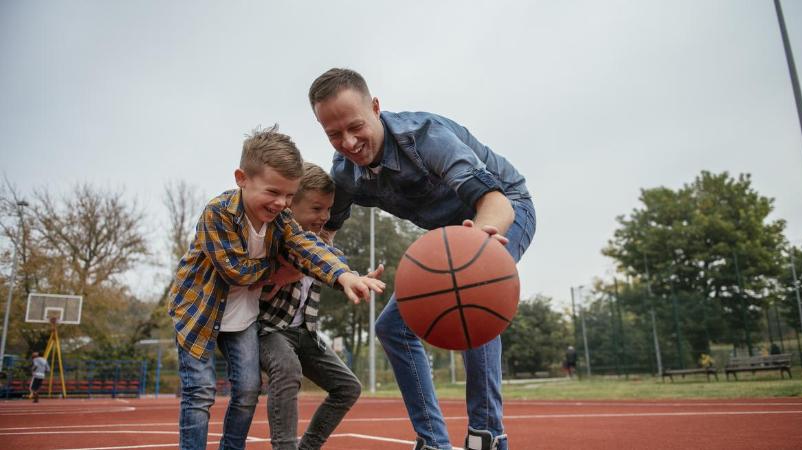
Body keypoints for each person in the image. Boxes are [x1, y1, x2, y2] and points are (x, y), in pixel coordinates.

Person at [309, 68, 536, 450]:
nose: (347, 142)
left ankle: (487, 436)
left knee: (470, 300)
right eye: (333, 134)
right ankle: (433, 441)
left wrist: (479, 245)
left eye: (355, 126)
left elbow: (494, 202)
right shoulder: (345, 173)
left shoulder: (426, 138)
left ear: (376, 108)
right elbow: (324, 232)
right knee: (391, 328)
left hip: (504, 210)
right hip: (449, 237)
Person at [168, 125, 385, 450]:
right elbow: (237, 271)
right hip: (199, 314)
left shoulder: (282, 220)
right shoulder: (219, 214)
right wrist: (284, 269)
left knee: (247, 392)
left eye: (288, 195)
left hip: (243, 319)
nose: (281, 203)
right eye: (274, 192)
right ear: (242, 178)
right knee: (200, 392)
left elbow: (309, 247)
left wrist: (344, 276)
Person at [258, 162, 381, 450]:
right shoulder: (275, 237)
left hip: (304, 332)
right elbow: (308, 259)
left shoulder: (321, 243)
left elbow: (329, 260)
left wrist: (355, 278)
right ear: (290, 206)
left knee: (348, 387)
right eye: (316, 209)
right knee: (288, 369)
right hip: (269, 330)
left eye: (328, 210)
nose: (324, 217)